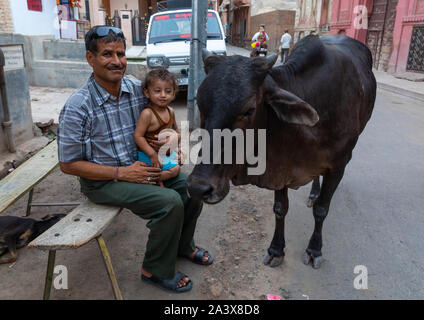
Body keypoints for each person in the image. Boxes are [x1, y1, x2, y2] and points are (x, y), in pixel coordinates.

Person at [57, 26, 213, 293]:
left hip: (143, 167)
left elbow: (160, 120)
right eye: (107, 54)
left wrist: (171, 143)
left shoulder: (136, 88)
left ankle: (182, 247)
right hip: (104, 181)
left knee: (191, 189)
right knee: (168, 202)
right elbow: (68, 164)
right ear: (90, 58)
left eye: (121, 53)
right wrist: (121, 173)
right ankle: (154, 269)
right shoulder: (78, 106)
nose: (117, 61)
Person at [134, 68, 180, 187]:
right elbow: (138, 136)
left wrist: (174, 142)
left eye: (168, 91)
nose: (163, 95)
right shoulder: (148, 114)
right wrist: (152, 155)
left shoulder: (171, 111)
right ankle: (154, 178)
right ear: (147, 93)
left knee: (178, 165)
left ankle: (157, 178)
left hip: (163, 153)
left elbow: (176, 131)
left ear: (174, 93)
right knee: (173, 170)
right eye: (158, 91)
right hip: (148, 154)